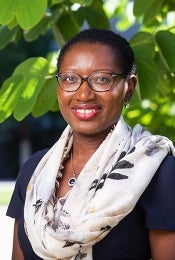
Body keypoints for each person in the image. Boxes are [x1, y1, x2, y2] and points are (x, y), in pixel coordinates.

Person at [7, 28, 175, 260]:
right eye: (69, 79)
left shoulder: (159, 173)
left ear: (129, 88)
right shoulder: (34, 171)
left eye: (102, 79)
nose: (84, 94)